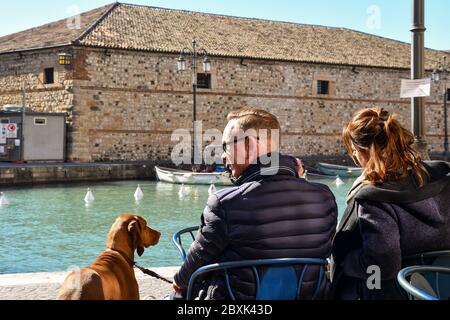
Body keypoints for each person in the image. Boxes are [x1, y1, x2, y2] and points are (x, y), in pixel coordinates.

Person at [172, 109, 338, 300]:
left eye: (225, 146)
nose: (223, 157)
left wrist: (178, 280)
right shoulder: (325, 197)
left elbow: (197, 259)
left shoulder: (224, 203)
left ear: (250, 145)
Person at [331, 108, 450, 300]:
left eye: (353, 151)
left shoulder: (374, 198)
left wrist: (347, 261)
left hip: (403, 291)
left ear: (363, 152)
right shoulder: (442, 178)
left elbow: (382, 265)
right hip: (441, 285)